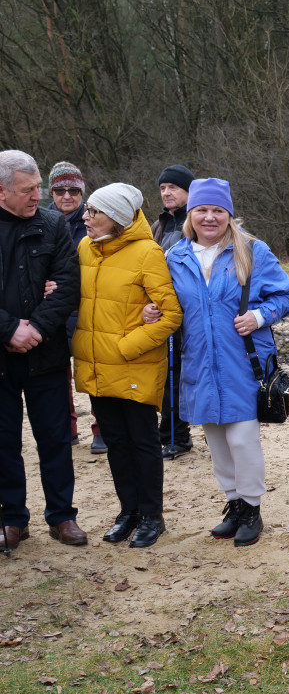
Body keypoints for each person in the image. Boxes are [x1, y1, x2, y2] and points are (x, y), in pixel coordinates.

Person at [163, 178, 289, 547]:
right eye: (202, 210)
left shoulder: (252, 251)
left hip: (242, 362)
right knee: (216, 440)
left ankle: (252, 508)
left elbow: (284, 295)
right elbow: (168, 304)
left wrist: (259, 316)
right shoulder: (175, 257)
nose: (209, 217)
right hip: (198, 362)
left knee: (242, 439)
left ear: (229, 214)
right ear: (191, 214)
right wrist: (151, 311)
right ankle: (233, 505)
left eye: (218, 210)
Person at [73, 183, 182, 548]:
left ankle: (152, 516)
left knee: (142, 441)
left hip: (134, 364)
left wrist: (125, 346)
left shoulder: (147, 252)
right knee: (116, 442)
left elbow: (170, 314)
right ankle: (128, 512)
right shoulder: (85, 248)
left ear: (116, 218)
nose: (85, 218)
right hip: (97, 365)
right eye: (86, 211)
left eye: (93, 212)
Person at [0, 150, 84, 549]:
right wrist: (8, 329)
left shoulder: (53, 224)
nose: (38, 196)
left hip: (46, 352)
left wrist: (33, 329)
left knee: (55, 438)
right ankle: (12, 519)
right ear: (1, 192)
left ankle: (62, 517)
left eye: (38, 188)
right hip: (0, 357)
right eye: (28, 189)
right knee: (3, 442)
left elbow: (68, 283)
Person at [47, 161, 107, 453]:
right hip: (50, 310)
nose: (67, 196)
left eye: (73, 190)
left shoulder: (94, 219)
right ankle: (66, 430)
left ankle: (101, 430)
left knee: (93, 371)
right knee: (57, 375)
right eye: (60, 190)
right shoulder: (40, 220)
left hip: (86, 307)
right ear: (52, 192)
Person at [152, 164, 196, 460]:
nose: (166, 193)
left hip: (188, 310)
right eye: (163, 188)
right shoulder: (159, 224)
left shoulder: (195, 222)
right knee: (167, 373)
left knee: (179, 373)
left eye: (173, 188)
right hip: (161, 309)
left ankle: (178, 434)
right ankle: (169, 431)